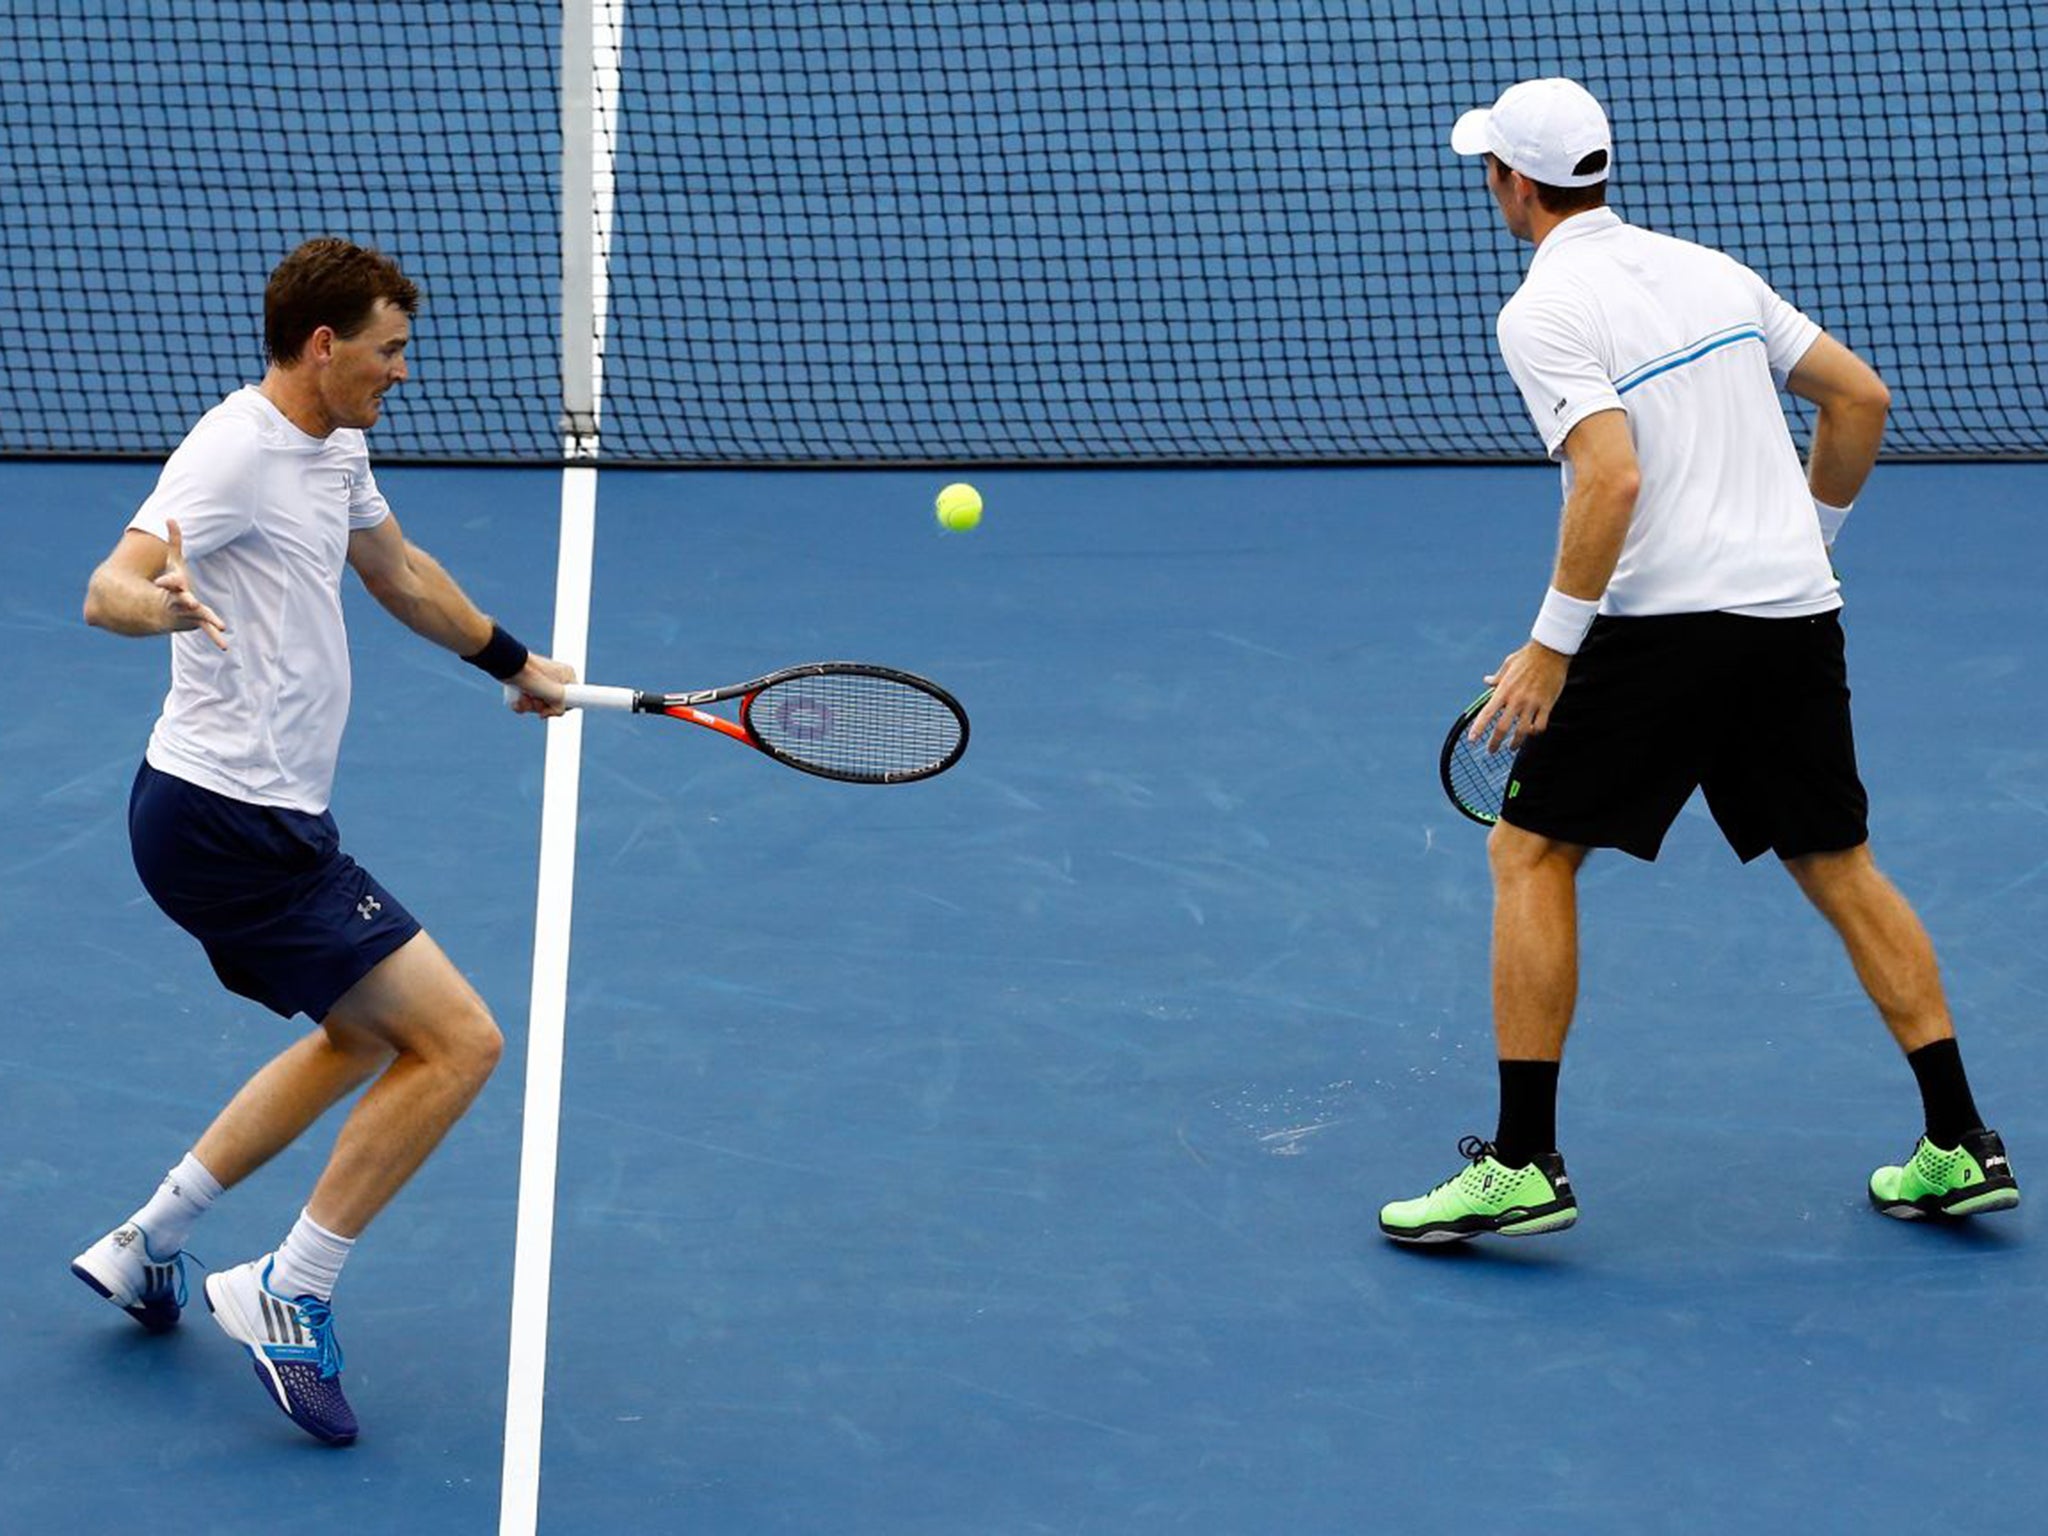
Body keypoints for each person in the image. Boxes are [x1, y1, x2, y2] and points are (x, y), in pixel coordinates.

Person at [1379, 79, 2018, 1243]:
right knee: (1836, 862)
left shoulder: (1540, 311)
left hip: (1664, 628)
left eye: (1488, 169)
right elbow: (1859, 397)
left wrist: (1548, 648)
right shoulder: (1710, 271)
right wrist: (1803, 540)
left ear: (1514, 184)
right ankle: (1958, 1141)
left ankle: (1521, 1163)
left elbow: (1610, 477)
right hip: (1790, 615)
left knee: (1529, 854)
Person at [73, 237, 576, 1442]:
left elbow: (396, 570)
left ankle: (152, 1238)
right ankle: (289, 1291)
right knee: (459, 1044)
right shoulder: (236, 451)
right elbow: (109, 588)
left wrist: (511, 663)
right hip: (225, 820)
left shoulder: (336, 444)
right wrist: (165, 605)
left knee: (361, 1038)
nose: (401, 372)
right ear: (322, 345)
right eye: (388, 351)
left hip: (243, 818)